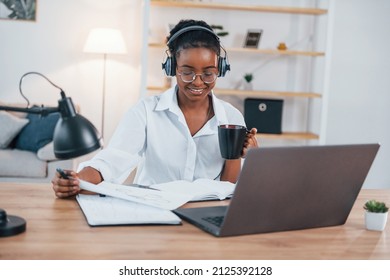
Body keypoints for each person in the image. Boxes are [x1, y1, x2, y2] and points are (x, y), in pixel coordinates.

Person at [52, 19, 258, 198]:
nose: (198, 82)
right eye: (187, 72)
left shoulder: (231, 117)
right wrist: (76, 180)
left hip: (205, 214)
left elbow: (226, 190)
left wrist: (245, 157)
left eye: (209, 73)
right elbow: (112, 160)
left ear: (220, 70)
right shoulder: (145, 112)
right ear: (171, 68)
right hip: (154, 213)